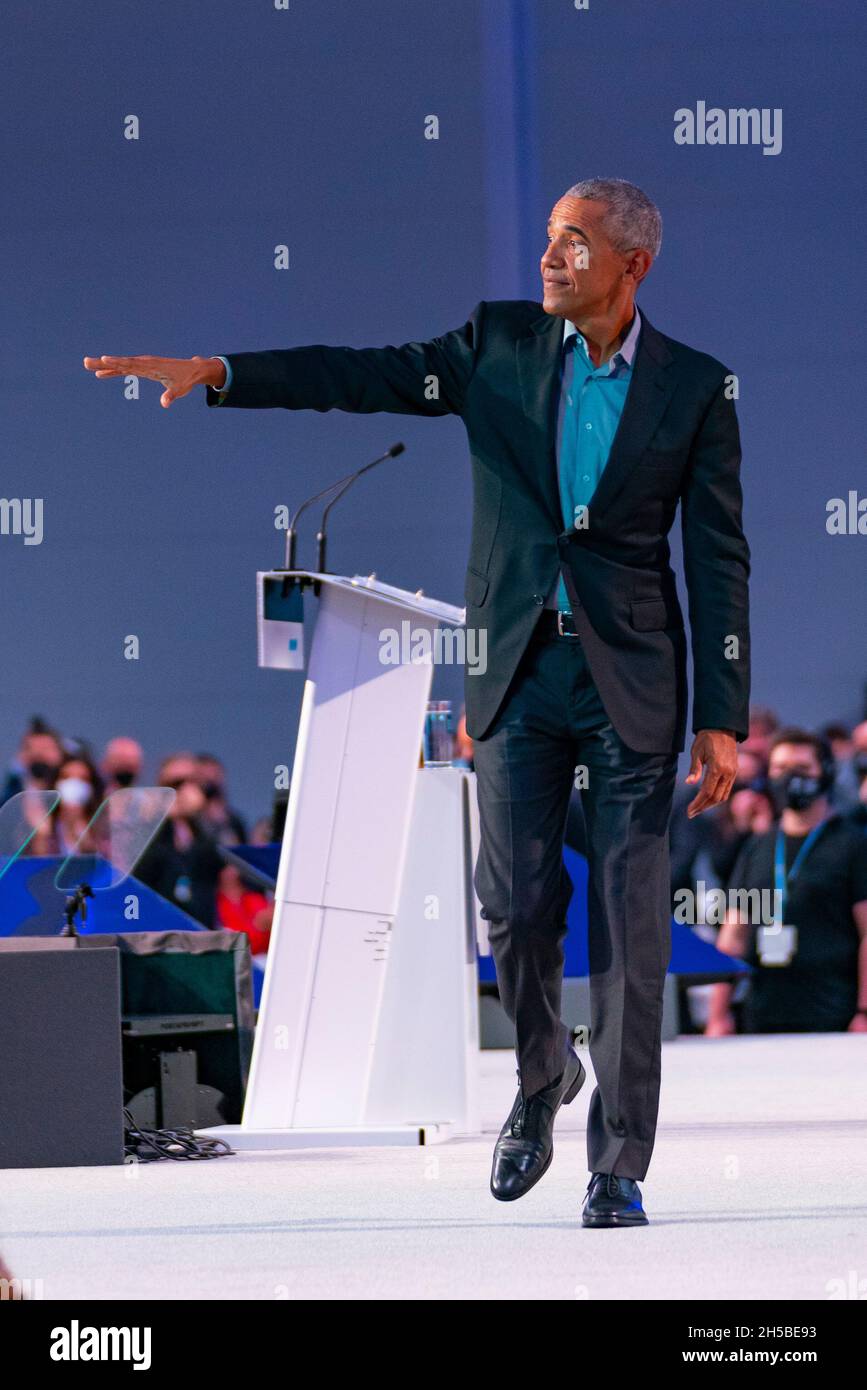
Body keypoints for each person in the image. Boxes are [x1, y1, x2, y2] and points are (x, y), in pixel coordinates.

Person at [83, 176, 751, 1227]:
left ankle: (618, 1161)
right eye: (547, 237)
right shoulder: (496, 348)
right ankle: (541, 1078)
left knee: (630, 927)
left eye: (573, 243)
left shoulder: (698, 388)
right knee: (518, 909)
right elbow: (363, 375)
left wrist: (723, 712)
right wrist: (220, 371)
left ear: (633, 265)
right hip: (516, 673)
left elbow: (717, 557)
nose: (549, 257)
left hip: (636, 680)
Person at [706, 729, 867, 1036]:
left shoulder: (852, 845)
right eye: (780, 769)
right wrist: (718, 1015)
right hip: (763, 1016)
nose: (789, 778)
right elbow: (734, 936)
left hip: (834, 1016)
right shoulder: (758, 845)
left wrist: (864, 1011)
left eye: (802, 769)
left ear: (826, 773)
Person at [133, 753, 225, 927]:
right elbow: (144, 871)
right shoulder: (149, 828)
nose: (185, 790)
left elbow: (216, 863)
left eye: (192, 782)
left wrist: (202, 814)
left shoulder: (206, 828)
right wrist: (162, 818)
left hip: (201, 928)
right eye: (176, 784)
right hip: (159, 928)